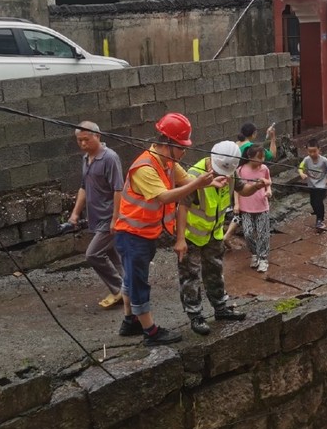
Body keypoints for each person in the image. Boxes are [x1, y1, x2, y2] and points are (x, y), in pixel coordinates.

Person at [112, 112, 220, 345]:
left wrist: (211, 181)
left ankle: (129, 321)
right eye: (181, 147)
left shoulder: (169, 163)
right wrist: (199, 183)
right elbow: (164, 196)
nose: (184, 152)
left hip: (144, 234)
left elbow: (186, 182)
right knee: (138, 282)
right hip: (131, 235)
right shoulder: (144, 168)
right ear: (167, 143)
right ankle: (150, 332)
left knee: (131, 279)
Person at [176, 141, 267, 335]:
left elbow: (243, 190)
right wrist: (180, 239)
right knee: (190, 275)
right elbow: (182, 206)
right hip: (192, 234)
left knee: (215, 270)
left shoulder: (231, 172)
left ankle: (221, 308)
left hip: (214, 233)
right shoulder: (193, 175)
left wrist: (258, 185)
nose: (221, 176)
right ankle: (196, 315)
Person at [65, 122, 125, 309]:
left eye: (86, 139)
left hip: (108, 216)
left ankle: (119, 290)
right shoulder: (86, 159)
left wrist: (116, 218)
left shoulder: (109, 158)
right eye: (79, 140)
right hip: (95, 216)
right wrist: (75, 214)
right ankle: (130, 286)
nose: (83, 143)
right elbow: (84, 187)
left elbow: (118, 189)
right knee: (112, 254)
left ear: (97, 136)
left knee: (93, 254)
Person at [223, 121, 277, 248]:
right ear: (253, 134)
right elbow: (272, 155)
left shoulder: (234, 146)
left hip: (229, 182)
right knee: (242, 211)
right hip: (244, 184)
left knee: (239, 212)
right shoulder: (251, 149)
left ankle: (227, 236)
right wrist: (273, 138)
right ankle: (228, 236)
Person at [236, 145, 272, 273]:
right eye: (259, 157)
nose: (262, 160)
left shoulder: (264, 169)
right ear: (250, 157)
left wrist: (268, 191)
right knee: (248, 233)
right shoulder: (240, 170)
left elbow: (268, 183)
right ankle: (255, 253)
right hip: (246, 207)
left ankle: (263, 258)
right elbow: (237, 189)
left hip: (262, 205)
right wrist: (236, 204)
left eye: (263, 157)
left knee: (263, 233)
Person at [298, 138, 327, 230]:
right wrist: (302, 174)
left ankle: (320, 219)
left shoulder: (324, 160)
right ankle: (317, 212)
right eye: (310, 152)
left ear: (319, 150)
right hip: (311, 184)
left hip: (322, 185)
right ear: (307, 151)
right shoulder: (306, 160)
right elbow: (300, 168)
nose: (312, 154)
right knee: (312, 202)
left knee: (319, 201)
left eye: (314, 151)